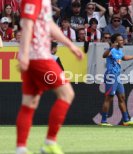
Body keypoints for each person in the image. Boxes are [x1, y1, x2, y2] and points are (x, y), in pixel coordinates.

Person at [16, 0, 83, 154]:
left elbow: (50, 26)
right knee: (67, 94)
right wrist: (25, 54)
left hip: (35, 57)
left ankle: (21, 149)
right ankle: (50, 142)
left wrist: (70, 45)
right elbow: (27, 25)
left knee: (29, 103)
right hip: (39, 57)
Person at [100, 33, 133, 126]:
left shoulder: (119, 50)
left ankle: (126, 120)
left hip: (117, 76)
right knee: (109, 98)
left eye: (122, 39)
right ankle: (103, 121)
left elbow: (123, 58)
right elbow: (104, 56)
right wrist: (110, 48)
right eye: (120, 40)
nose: (123, 41)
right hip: (111, 76)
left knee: (122, 97)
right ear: (115, 42)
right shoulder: (112, 50)